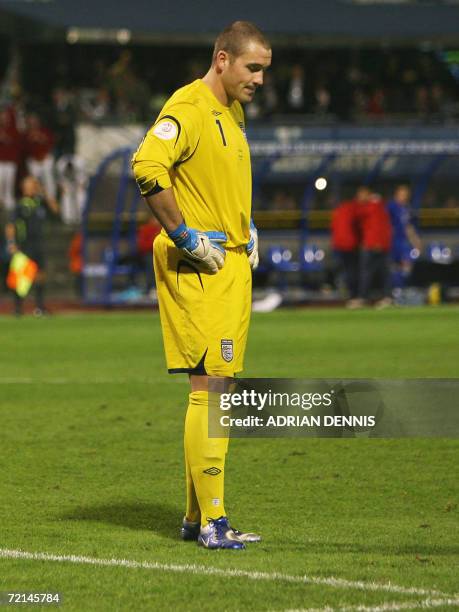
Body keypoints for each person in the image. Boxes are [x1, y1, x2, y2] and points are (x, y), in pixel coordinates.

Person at [132, 21, 271, 549]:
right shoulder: (187, 110)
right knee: (210, 389)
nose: (259, 80)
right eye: (252, 68)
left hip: (232, 261)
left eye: (264, 70)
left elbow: (220, 180)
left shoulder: (232, 113)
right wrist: (186, 237)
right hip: (201, 264)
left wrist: (247, 225)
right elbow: (147, 166)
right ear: (222, 59)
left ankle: (196, 519)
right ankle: (214, 521)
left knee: (222, 388)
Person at [5, 175, 59, 315]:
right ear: (23, 188)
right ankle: (17, 309)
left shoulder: (40, 202)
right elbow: (10, 226)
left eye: (34, 184)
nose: (32, 187)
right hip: (24, 245)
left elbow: (55, 210)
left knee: (40, 275)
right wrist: (11, 243)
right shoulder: (20, 205)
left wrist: (45, 191)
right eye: (29, 185)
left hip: (39, 244)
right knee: (21, 278)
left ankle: (39, 307)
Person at [387, 184, 421, 289]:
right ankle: (395, 291)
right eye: (402, 194)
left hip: (404, 242)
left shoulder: (407, 208)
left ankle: (401, 289)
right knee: (393, 267)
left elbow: (408, 226)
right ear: (396, 195)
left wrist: (416, 242)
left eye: (406, 195)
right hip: (392, 241)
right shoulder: (390, 207)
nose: (404, 197)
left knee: (407, 265)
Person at [331, 197, 360, 304]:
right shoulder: (353, 210)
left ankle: (344, 291)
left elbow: (333, 228)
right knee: (352, 271)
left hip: (338, 245)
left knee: (343, 270)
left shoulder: (338, 211)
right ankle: (353, 295)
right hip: (350, 245)